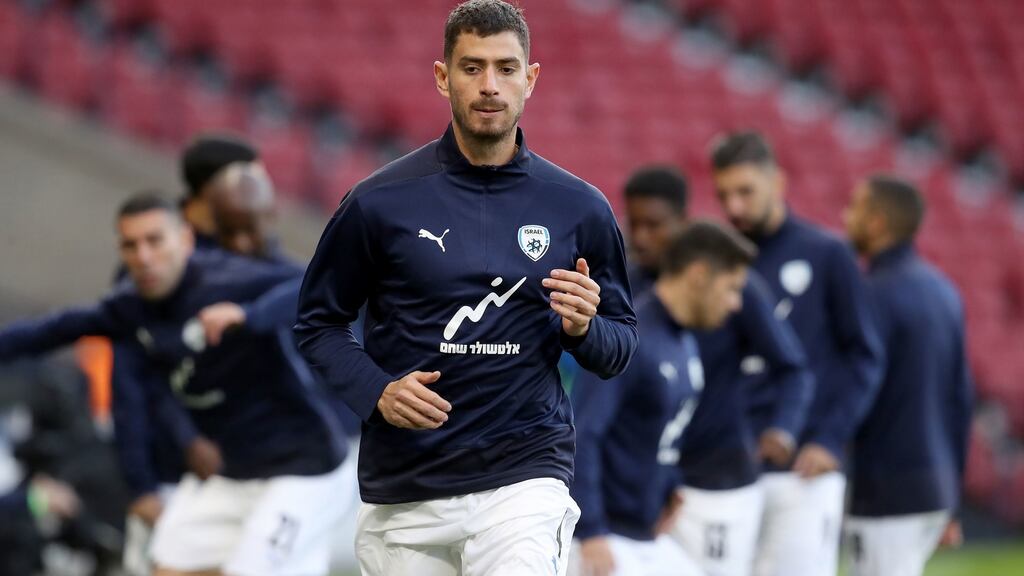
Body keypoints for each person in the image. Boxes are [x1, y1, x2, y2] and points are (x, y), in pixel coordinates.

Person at [294, 1, 638, 574]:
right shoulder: (378, 201)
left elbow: (619, 346)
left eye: (506, 68)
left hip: (524, 477)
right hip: (407, 484)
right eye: (472, 67)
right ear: (441, 77)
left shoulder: (580, 207)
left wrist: (583, 328)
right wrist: (377, 391)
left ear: (530, 79)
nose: (489, 85)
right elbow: (317, 324)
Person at [0, 194, 352, 576]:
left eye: (155, 240)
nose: (144, 256)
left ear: (183, 240)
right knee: (165, 567)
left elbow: (322, 282)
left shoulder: (227, 280)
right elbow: (44, 333)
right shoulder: (127, 309)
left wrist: (249, 316)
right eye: (131, 245)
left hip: (306, 470)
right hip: (234, 472)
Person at [709, 132, 884, 576]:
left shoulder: (827, 254)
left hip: (802, 474)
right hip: (731, 469)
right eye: (724, 195)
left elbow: (864, 356)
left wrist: (830, 438)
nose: (734, 208)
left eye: (745, 191)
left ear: (778, 183)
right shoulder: (718, 262)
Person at [622, 166, 812, 576]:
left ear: (683, 224)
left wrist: (783, 427)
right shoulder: (626, 290)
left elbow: (793, 367)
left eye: (654, 225)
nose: (641, 237)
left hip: (718, 483)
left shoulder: (734, 288)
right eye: (634, 224)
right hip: (648, 485)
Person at [570, 220, 758, 576]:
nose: (735, 304)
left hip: (645, 534)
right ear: (699, 274)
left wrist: (668, 486)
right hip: (606, 537)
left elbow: (659, 430)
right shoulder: (631, 340)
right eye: (731, 288)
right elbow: (584, 432)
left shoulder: (684, 341)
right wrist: (591, 531)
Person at [842, 175, 973, 576]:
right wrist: (953, 496)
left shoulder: (870, 294)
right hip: (935, 486)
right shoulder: (944, 289)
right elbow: (961, 400)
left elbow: (856, 390)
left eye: (856, 207)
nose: (847, 217)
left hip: (887, 488)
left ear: (878, 222)